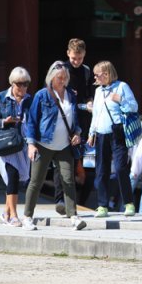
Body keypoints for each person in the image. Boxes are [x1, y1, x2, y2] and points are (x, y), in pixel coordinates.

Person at [22, 61, 87, 231]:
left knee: (68, 180)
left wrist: (77, 134)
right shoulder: (42, 95)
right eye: (59, 77)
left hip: (65, 145)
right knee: (36, 181)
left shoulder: (71, 95)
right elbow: (32, 121)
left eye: (65, 77)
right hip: (44, 144)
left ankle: (73, 216)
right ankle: (27, 217)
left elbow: (76, 120)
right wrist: (31, 144)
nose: (62, 80)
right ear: (51, 77)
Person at [87, 61, 138, 218]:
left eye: (98, 74)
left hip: (117, 132)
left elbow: (134, 107)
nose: (95, 77)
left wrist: (120, 99)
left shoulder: (122, 87)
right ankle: (102, 206)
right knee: (101, 170)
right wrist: (91, 133)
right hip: (101, 133)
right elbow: (96, 114)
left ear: (107, 73)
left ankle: (128, 203)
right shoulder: (98, 91)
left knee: (121, 168)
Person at [0, 67, 33, 227]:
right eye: (20, 84)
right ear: (12, 83)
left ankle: (5, 212)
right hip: (7, 144)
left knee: (21, 177)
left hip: (23, 144)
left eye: (26, 84)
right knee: (12, 177)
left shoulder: (30, 99)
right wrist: (3, 122)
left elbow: (34, 121)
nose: (23, 87)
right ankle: (13, 215)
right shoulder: (0, 97)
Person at [53, 38, 95, 213]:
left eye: (80, 58)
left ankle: (81, 200)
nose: (76, 61)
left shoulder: (86, 71)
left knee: (87, 162)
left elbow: (90, 94)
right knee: (62, 160)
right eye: (73, 58)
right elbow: (51, 91)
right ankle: (60, 200)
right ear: (68, 54)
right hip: (64, 119)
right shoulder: (60, 69)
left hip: (83, 120)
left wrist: (90, 102)